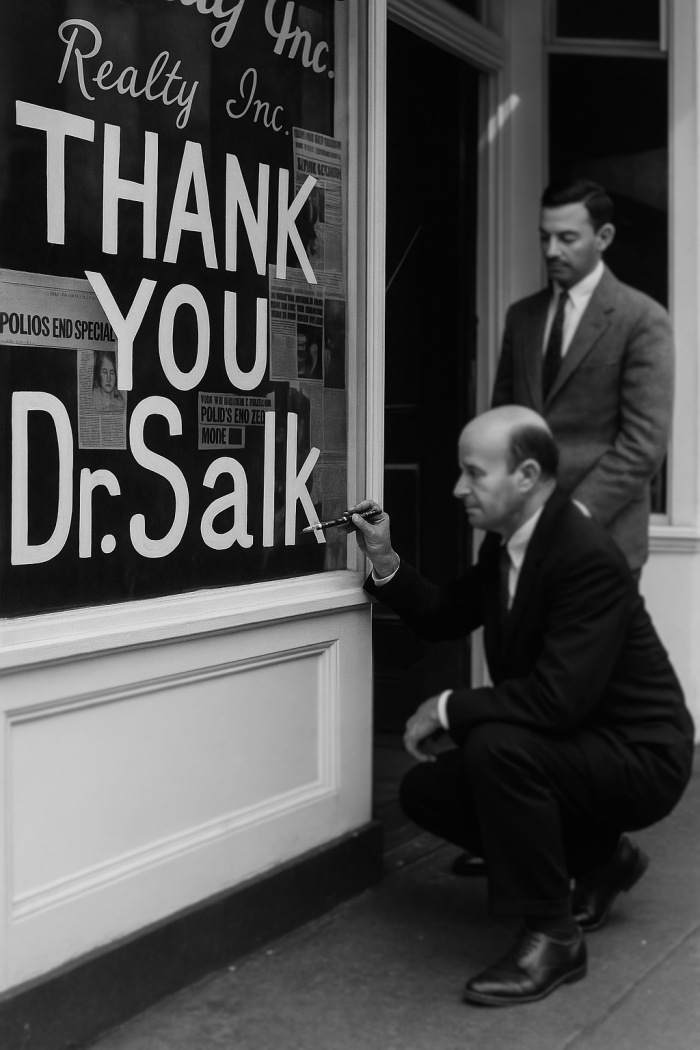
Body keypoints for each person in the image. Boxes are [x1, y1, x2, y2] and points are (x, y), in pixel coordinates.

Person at [350, 406, 693, 1007]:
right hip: (576, 739)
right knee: (425, 793)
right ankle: (600, 858)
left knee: (497, 748)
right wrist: (381, 554)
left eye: (474, 474)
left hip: (641, 754)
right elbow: (443, 615)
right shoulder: (508, 546)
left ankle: (553, 935)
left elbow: (559, 699)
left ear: (527, 476)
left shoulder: (583, 553)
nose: (458, 488)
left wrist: (449, 707)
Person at [492, 179, 674, 577]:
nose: (552, 250)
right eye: (545, 237)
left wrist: (569, 517)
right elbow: (501, 423)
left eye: (567, 238)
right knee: (517, 642)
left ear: (603, 236)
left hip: (602, 541)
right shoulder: (521, 317)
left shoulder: (642, 319)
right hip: (519, 536)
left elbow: (644, 445)